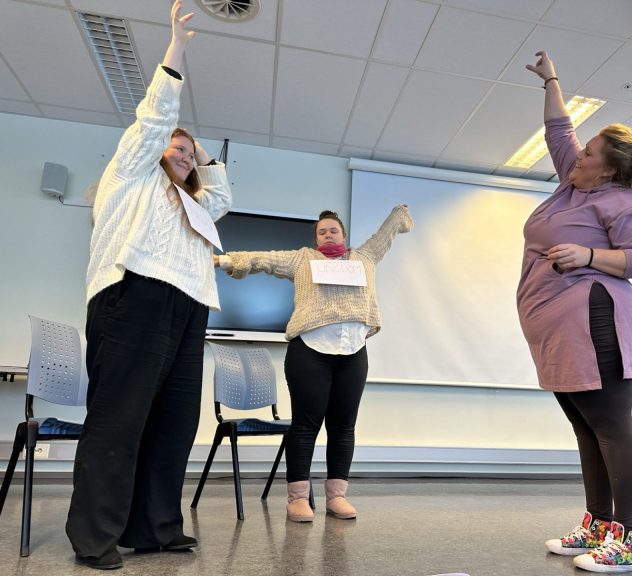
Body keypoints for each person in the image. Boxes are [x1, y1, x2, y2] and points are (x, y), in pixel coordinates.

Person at [65, 1, 233, 569]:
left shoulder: (197, 205)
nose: (184, 155)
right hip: (131, 296)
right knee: (119, 419)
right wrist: (176, 49)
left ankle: (155, 528)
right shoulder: (132, 174)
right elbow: (154, 123)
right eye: (178, 149)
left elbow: (224, 198)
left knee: (175, 422)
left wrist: (204, 155)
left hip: (188, 308)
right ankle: (94, 537)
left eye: (190, 153)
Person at [518, 51, 632, 573]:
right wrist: (552, 78)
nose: (577, 154)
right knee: (586, 429)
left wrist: (588, 256)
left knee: (611, 424)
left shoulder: (623, 203)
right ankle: (600, 525)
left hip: (594, 317)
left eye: (589, 153)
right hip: (556, 324)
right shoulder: (572, 182)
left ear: (608, 171)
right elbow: (559, 131)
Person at [215, 205, 412, 522]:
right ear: (316, 238)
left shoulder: (363, 258)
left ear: (344, 235)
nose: (328, 234)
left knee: (344, 426)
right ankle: (297, 500)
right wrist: (224, 260)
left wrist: (398, 216)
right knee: (306, 426)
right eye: (322, 231)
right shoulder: (302, 259)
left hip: (353, 352)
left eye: (333, 230)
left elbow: (384, 235)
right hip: (310, 351)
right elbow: (262, 259)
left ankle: (337, 497)